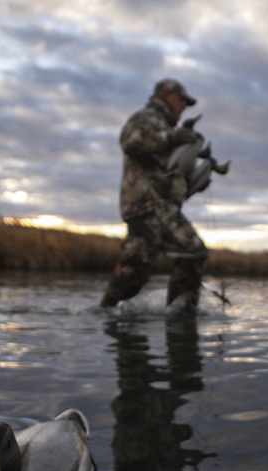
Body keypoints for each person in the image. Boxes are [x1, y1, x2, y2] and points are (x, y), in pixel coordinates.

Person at [101, 78, 219, 309]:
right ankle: (181, 319)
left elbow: (166, 173)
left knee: (134, 271)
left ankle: (103, 312)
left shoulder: (166, 128)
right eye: (182, 100)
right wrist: (171, 138)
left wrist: (193, 182)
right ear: (166, 94)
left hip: (147, 206)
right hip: (150, 204)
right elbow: (129, 141)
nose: (184, 106)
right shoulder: (147, 117)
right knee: (193, 251)